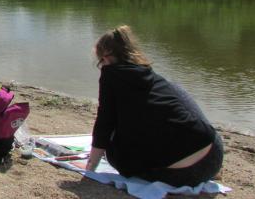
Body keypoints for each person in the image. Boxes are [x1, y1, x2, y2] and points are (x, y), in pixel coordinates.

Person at [86, 25, 223, 187]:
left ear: (106, 58)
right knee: (177, 91)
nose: (101, 66)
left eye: (100, 62)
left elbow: (105, 124)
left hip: (178, 175)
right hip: (213, 157)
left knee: (113, 153)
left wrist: (90, 168)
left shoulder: (110, 75)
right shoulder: (149, 74)